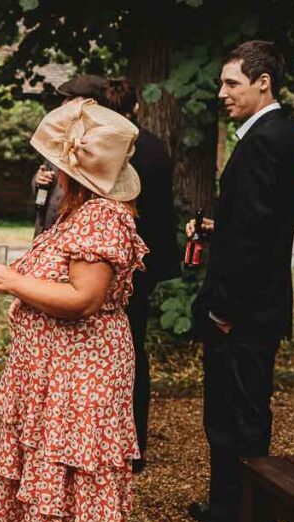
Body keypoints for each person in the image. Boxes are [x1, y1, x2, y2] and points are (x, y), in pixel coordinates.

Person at [0, 98, 146, 522]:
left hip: (85, 369)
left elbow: (84, 299)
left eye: (58, 162)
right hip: (60, 368)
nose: (51, 170)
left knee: (78, 466)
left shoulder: (102, 219)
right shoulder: (82, 213)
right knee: (55, 463)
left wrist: (11, 282)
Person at [167, 40, 294, 522]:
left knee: (237, 421)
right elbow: (253, 222)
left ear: (262, 82)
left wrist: (224, 308)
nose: (221, 92)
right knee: (225, 415)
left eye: (232, 83)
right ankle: (228, 504)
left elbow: (261, 241)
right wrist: (216, 227)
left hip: (244, 313)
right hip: (249, 307)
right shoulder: (271, 135)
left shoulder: (268, 139)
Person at [101, 77, 181, 474]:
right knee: (134, 348)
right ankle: (134, 444)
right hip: (145, 263)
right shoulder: (155, 146)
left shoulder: (109, 147)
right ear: (135, 107)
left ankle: (110, 439)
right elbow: (163, 213)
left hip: (115, 261)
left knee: (113, 350)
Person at [32, 75, 109, 236]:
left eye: (70, 100)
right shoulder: (63, 137)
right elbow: (45, 180)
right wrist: (38, 180)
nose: (63, 105)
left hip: (77, 236)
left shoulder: (102, 146)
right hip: (47, 232)